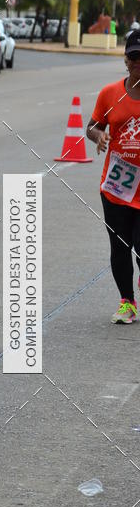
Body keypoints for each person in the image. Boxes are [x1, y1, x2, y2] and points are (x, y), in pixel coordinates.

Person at [86, 29, 140, 323]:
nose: (138, 63)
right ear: (126, 60)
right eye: (133, 57)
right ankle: (127, 302)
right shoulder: (110, 93)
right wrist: (99, 137)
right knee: (120, 248)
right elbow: (91, 125)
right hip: (117, 188)